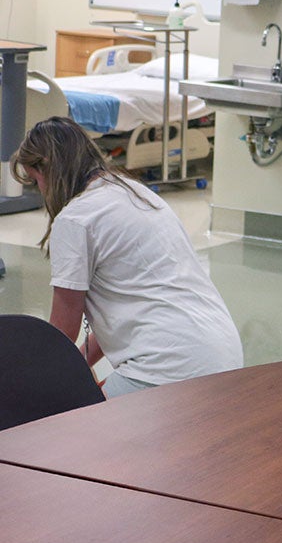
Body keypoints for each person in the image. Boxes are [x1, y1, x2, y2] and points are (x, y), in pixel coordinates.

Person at [11, 117, 243, 398]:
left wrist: (29, 389)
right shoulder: (137, 193)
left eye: (37, 182)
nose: (43, 193)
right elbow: (127, 315)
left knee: (68, 431)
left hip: (168, 368)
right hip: (222, 354)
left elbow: (61, 333)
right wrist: (81, 371)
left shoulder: (75, 219)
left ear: (48, 170)